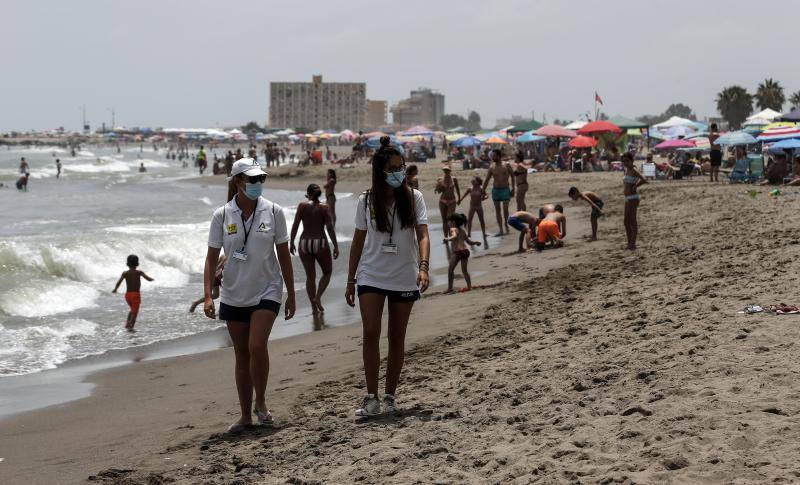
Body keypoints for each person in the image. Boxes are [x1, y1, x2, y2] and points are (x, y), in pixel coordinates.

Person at [203, 157, 296, 432]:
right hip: (233, 292)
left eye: (260, 179)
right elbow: (210, 259)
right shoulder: (222, 215)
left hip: (267, 288)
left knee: (257, 346)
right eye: (252, 179)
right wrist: (208, 295)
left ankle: (261, 402)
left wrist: (291, 293)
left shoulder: (274, 211)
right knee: (242, 354)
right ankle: (245, 414)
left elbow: (284, 255)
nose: (257, 184)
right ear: (238, 182)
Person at [345, 136, 430, 417]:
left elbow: (423, 234)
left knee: (397, 336)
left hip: (404, 274)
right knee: (371, 332)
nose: (398, 173)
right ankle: (371, 397)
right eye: (393, 168)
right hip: (371, 274)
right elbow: (357, 242)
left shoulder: (413, 198)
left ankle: (390, 396)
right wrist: (350, 279)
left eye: (401, 167)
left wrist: (424, 266)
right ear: (379, 172)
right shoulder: (366, 201)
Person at [290, 183, 339, 314]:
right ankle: (318, 297)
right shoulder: (324, 207)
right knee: (327, 272)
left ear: (308, 194)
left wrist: (291, 243)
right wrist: (335, 245)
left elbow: (295, 225)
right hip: (320, 242)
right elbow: (329, 228)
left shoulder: (302, 206)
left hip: (304, 243)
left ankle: (313, 308)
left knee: (310, 277)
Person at [112, 254, 154, 331]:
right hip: (135, 295)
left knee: (132, 310)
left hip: (128, 295)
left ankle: (127, 324)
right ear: (137, 264)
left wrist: (115, 289)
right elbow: (148, 278)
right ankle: (131, 327)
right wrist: (153, 279)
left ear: (127, 264)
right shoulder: (139, 272)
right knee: (135, 313)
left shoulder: (125, 273)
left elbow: (119, 282)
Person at [443, 213, 481, 292]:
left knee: (450, 270)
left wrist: (447, 238)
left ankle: (450, 288)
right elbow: (469, 242)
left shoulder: (453, 229)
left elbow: (454, 236)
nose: (448, 223)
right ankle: (469, 287)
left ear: (453, 222)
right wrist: (476, 242)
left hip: (458, 252)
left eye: (449, 222)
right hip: (465, 251)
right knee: (465, 271)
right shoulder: (463, 230)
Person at [481, 150, 514, 235]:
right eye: (492, 156)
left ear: (499, 156)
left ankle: (506, 224)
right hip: (496, 190)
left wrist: (513, 188)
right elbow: (487, 179)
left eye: (494, 156)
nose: (492, 157)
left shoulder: (506, 165)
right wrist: (483, 190)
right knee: (497, 210)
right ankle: (501, 229)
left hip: (505, 189)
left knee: (505, 209)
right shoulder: (492, 167)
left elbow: (513, 176)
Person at [622, 152, 647, 250]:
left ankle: (633, 243)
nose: (625, 163)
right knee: (626, 222)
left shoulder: (634, 170)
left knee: (632, 221)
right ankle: (629, 242)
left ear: (632, 160)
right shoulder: (627, 170)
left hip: (633, 198)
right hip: (627, 198)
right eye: (623, 161)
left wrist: (636, 186)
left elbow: (644, 179)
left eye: (627, 161)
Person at [458, 175, 488, 246]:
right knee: (469, 220)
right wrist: (460, 200)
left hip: (479, 206)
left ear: (478, 182)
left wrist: (484, 198)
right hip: (472, 206)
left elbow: (487, 195)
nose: (472, 182)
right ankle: (469, 234)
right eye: (472, 181)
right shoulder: (470, 189)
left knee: (481, 220)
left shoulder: (481, 189)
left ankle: (484, 233)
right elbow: (464, 195)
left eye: (474, 181)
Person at [435, 165, 460, 237]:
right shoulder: (440, 179)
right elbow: (438, 191)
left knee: (450, 219)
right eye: (445, 170)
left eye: (447, 170)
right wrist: (439, 187)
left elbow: (457, 188)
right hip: (443, 201)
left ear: (450, 171)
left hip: (452, 200)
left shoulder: (454, 179)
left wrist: (459, 198)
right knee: (444, 220)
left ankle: (452, 235)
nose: (446, 171)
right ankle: (446, 237)